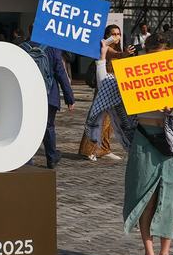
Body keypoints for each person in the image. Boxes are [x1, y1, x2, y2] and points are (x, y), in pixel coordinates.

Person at [119, 37, 173, 255]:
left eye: (161, 55)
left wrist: (172, 109)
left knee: (169, 198)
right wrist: (103, 58)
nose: (156, 59)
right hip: (145, 138)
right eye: (152, 54)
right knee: (146, 197)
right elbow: (107, 88)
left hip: (172, 144)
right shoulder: (136, 74)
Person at [20, 25, 74, 169]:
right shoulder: (52, 48)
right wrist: (69, 97)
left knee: (28, 125)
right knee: (48, 126)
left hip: (28, 94)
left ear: (29, 32)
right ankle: (51, 157)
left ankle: (27, 158)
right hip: (49, 94)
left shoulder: (21, 48)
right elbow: (60, 72)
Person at [80, 24, 135, 162]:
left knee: (110, 122)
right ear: (107, 35)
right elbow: (116, 55)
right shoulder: (106, 47)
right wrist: (124, 54)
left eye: (118, 34)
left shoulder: (119, 48)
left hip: (115, 89)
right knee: (98, 119)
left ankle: (104, 149)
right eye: (113, 34)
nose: (116, 36)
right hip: (103, 89)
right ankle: (88, 150)